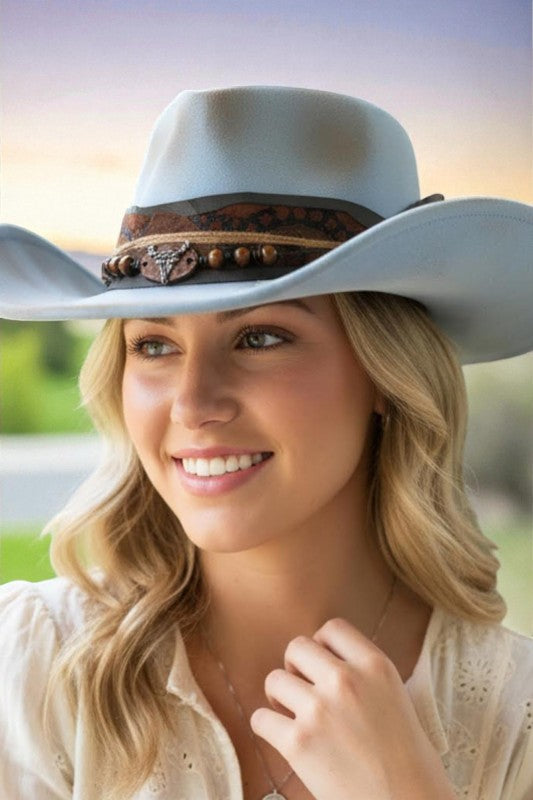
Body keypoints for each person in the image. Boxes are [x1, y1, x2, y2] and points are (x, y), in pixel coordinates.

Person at [0, 85, 532, 800]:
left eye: (260, 337)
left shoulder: (513, 717)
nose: (192, 403)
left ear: (384, 374)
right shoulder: (31, 669)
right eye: (154, 346)